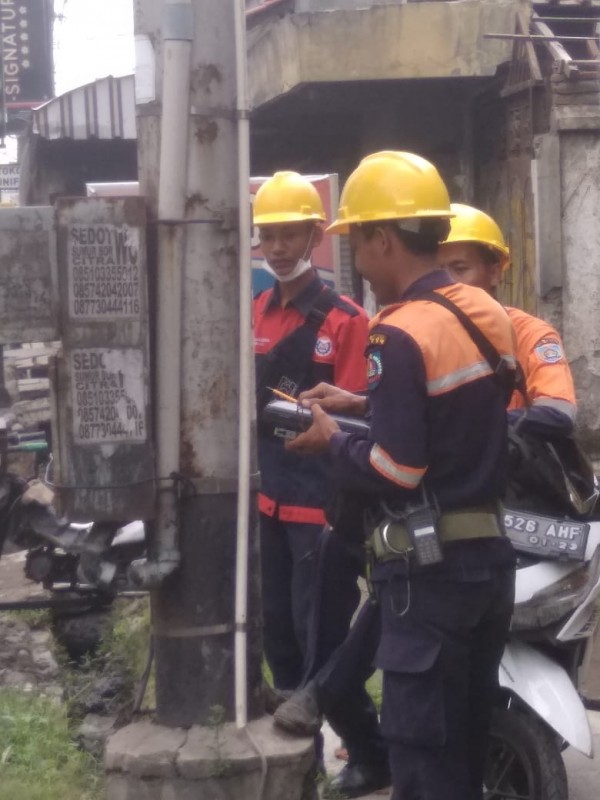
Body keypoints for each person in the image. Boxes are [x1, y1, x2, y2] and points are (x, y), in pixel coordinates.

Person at [285, 151, 517, 800]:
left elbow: (397, 468)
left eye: (357, 243)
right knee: (463, 755)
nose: (358, 260)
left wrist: (332, 441)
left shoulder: (397, 332)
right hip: (489, 566)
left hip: (429, 579)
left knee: (422, 764)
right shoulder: (483, 312)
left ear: (383, 239)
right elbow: (457, 416)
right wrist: (364, 404)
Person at [252, 171, 369, 696]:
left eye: (289, 234)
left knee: (318, 631)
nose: (277, 248)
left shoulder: (347, 321)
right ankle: (291, 732)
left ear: (315, 237)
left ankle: (347, 731)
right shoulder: (255, 312)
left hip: (321, 509)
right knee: (276, 630)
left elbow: (360, 420)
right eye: (268, 235)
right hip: (268, 500)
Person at [438, 203, 576, 437]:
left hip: (508, 457)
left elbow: (559, 411)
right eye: (437, 272)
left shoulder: (530, 334)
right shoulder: (420, 337)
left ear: (494, 273)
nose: (447, 283)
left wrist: (469, 426)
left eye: (460, 269)